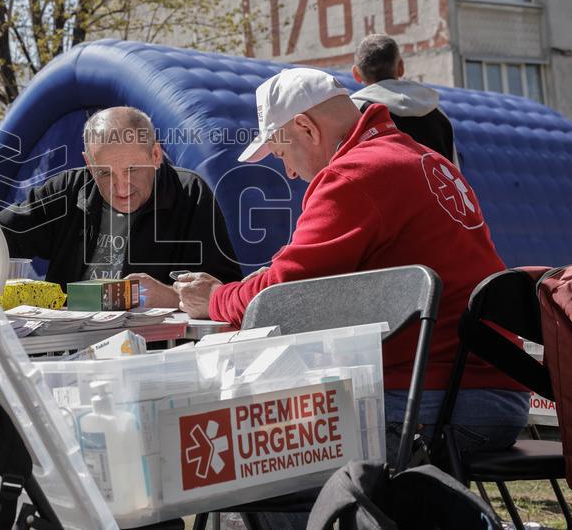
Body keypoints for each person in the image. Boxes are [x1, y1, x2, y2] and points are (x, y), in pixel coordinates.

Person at [175, 68, 528, 461]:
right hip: (489, 390)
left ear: (306, 128)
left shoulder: (354, 174)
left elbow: (280, 297)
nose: (289, 172)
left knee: (258, 447)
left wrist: (215, 298)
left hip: (439, 401)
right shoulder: (421, 156)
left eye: (281, 153)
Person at [0, 106, 242, 306]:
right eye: (104, 173)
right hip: (69, 344)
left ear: (155, 155)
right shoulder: (68, 189)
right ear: (89, 165)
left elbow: (225, 295)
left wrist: (168, 296)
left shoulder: (189, 193)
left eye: (132, 170)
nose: (121, 189)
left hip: (155, 348)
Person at [351, 34, 458, 165]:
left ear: (356, 74)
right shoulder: (438, 114)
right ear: (401, 67)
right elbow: (454, 172)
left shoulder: (353, 113)